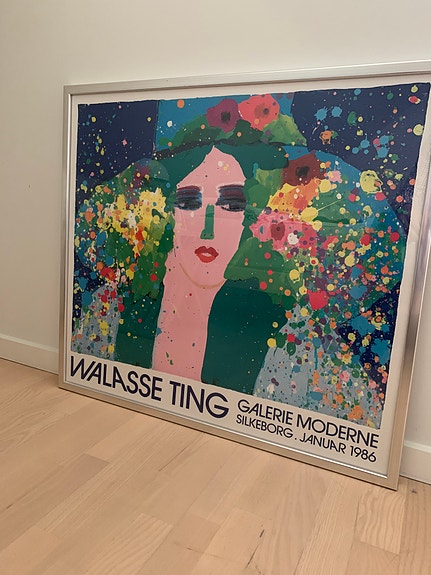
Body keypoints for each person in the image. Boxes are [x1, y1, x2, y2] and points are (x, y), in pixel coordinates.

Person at [72, 87, 426, 427]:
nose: (208, 229)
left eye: (231, 204)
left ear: (260, 215)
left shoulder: (296, 340)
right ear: (164, 210)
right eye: (190, 201)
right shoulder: (111, 311)